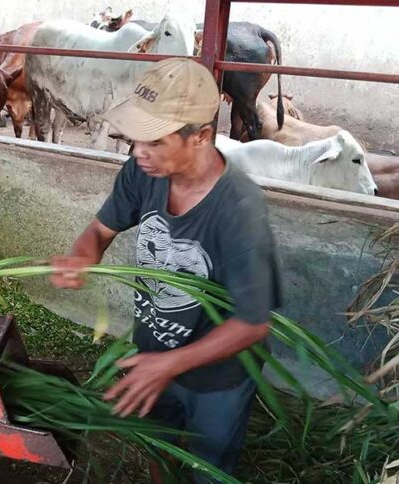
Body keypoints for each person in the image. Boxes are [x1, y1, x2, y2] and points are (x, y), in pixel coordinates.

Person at [50, 58, 281, 482]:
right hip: (153, 356)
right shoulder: (145, 171)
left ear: (201, 138)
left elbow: (252, 324)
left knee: (209, 463)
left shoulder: (239, 210)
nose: (138, 152)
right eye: (136, 140)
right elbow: (101, 229)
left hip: (217, 377)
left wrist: (169, 365)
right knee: (156, 442)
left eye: (154, 141)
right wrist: (84, 255)